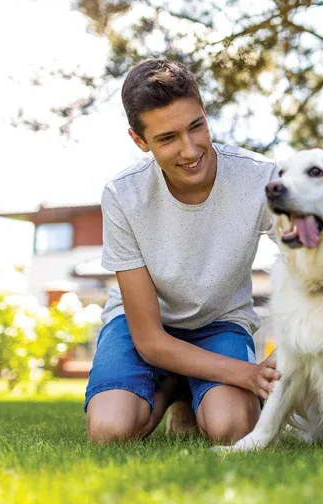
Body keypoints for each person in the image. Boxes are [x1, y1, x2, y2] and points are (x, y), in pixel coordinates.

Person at [84, 59, 280, 444]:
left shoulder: (261, 178)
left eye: (196, 127)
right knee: (110, 431)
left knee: (233, 428)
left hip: (220, 322)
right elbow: (150, 340)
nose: (190, 150)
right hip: (144, 328)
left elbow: (315, 263)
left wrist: (291, 347)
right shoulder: (123, 196)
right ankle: (175, 387)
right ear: (140, 141)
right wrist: (247, 374)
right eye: (167, 138)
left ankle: (194, 390)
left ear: (206, 115)